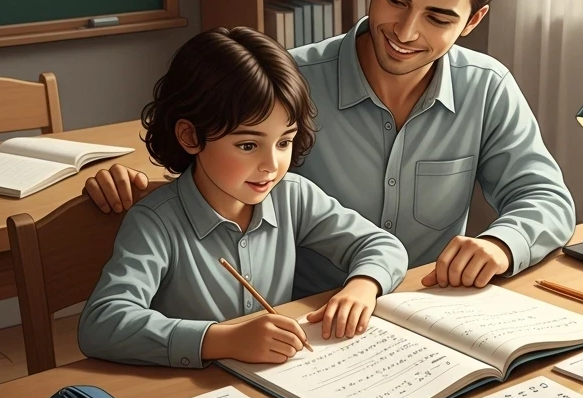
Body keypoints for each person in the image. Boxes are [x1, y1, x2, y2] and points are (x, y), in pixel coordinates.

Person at [86, 0, 576, 300]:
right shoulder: (288, 82)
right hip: (311, 323)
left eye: (438, 18)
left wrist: (503, 244)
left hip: (435, 318)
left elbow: (547, 198)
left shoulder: (487, 87)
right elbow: (215, 176)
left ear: (472, 21)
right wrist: (136, 185)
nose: (405, 31)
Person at [78, 27, 409, 368]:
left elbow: (383, 246)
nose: (271, 165)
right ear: (190, 136)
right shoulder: (156, 223)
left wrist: (363, 285)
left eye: (284, 142)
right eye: (248, 145)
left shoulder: (292, 196)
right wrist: (222, 340)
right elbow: (101, 323)